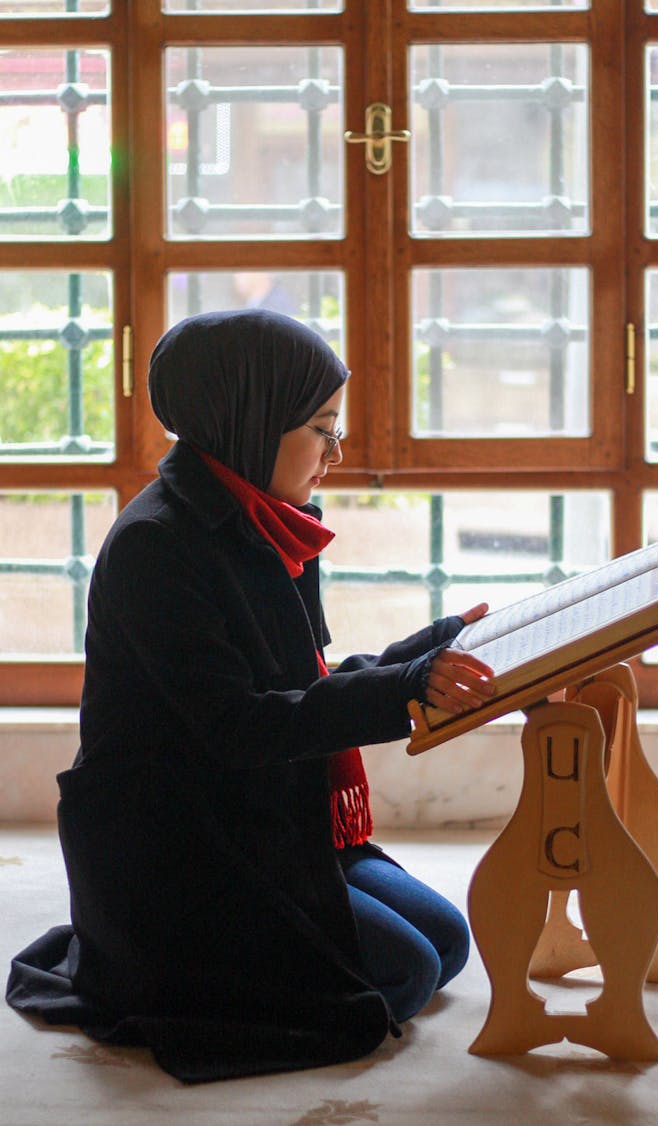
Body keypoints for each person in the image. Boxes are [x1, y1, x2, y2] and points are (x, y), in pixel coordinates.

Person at [6, 309, 495, 1084]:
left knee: (448, 943)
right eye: (321, 429)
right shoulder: (156, 547)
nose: (335, 452)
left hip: (266, 814)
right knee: (401, 977)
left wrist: (425, 653)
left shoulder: (277, 518)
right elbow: (237, 726)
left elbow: (306, 683)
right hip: (184, 848)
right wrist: (402, 689)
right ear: (252, 420)